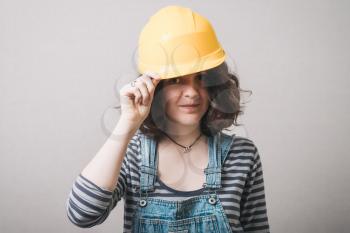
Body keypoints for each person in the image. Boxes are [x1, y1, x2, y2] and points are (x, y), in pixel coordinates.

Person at [66, 5, 270, 233]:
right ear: (154, 86)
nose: (192, 92)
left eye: (201, 78)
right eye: (176, 80)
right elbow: (81, 215)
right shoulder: (133, 155)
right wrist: (127, 124)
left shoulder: (242, 155)